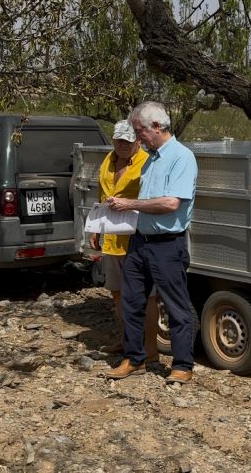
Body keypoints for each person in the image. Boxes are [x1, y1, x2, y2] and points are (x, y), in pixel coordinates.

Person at [105, 101, 198, 384]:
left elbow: (171, 203)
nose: (138, 137)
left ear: (156, 127)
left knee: (175, 306)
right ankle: (135, 359)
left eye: (140, 131)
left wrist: (129, 204)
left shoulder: (181, 157)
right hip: (140, 241)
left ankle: (182, 365)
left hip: (167, 245)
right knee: (132, 303)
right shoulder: (150, 157)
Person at [88, 120, 159, 361]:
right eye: (119, 140)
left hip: (137, 239)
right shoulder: (107, 161)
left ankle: (150, 348)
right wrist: (95, 228)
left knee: (146, 296)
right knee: (117, 292)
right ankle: (127, 339)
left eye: (128, 141)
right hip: (111, 239)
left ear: (138, 140)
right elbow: (101, 194)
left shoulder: (147, 162)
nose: (123, 145)